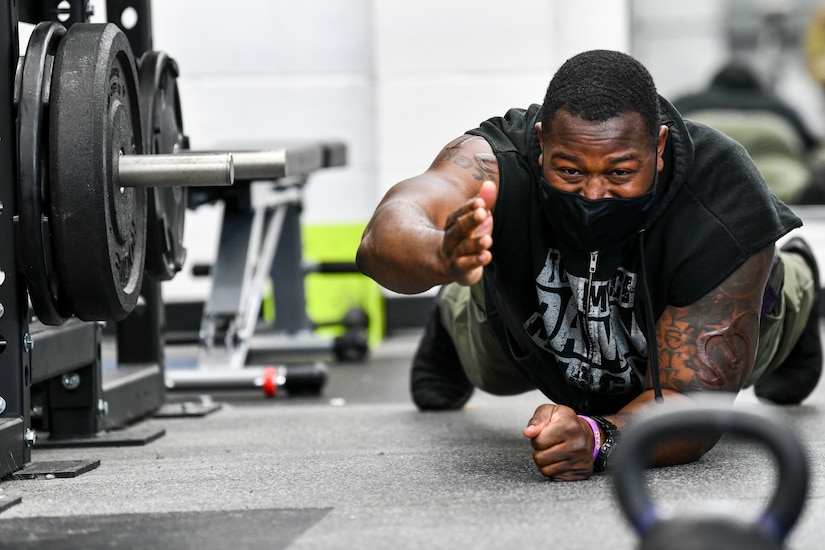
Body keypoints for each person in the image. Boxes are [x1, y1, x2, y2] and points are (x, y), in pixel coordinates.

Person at [356, 50, 822, 481]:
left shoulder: (724, 199)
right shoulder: (497, 158)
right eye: (570, 171)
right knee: (491, 372)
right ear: (541, 144)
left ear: (658, 148)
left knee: (760, 343)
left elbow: (692, 407)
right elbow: (387, 230)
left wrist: (597, 438)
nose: (594, 194)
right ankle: (454, 302)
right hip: (530, 330)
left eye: (620, 172)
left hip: (706, 316)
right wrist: (440, 254)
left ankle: (799, 279)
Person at [673, 59, 825, 204]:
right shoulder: (779, 104)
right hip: (770, 138)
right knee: (780, 173)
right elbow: (810, 147)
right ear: (757, 86)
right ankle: (794, 193)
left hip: (702, 138)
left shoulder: (687, 101)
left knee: (698, 174)